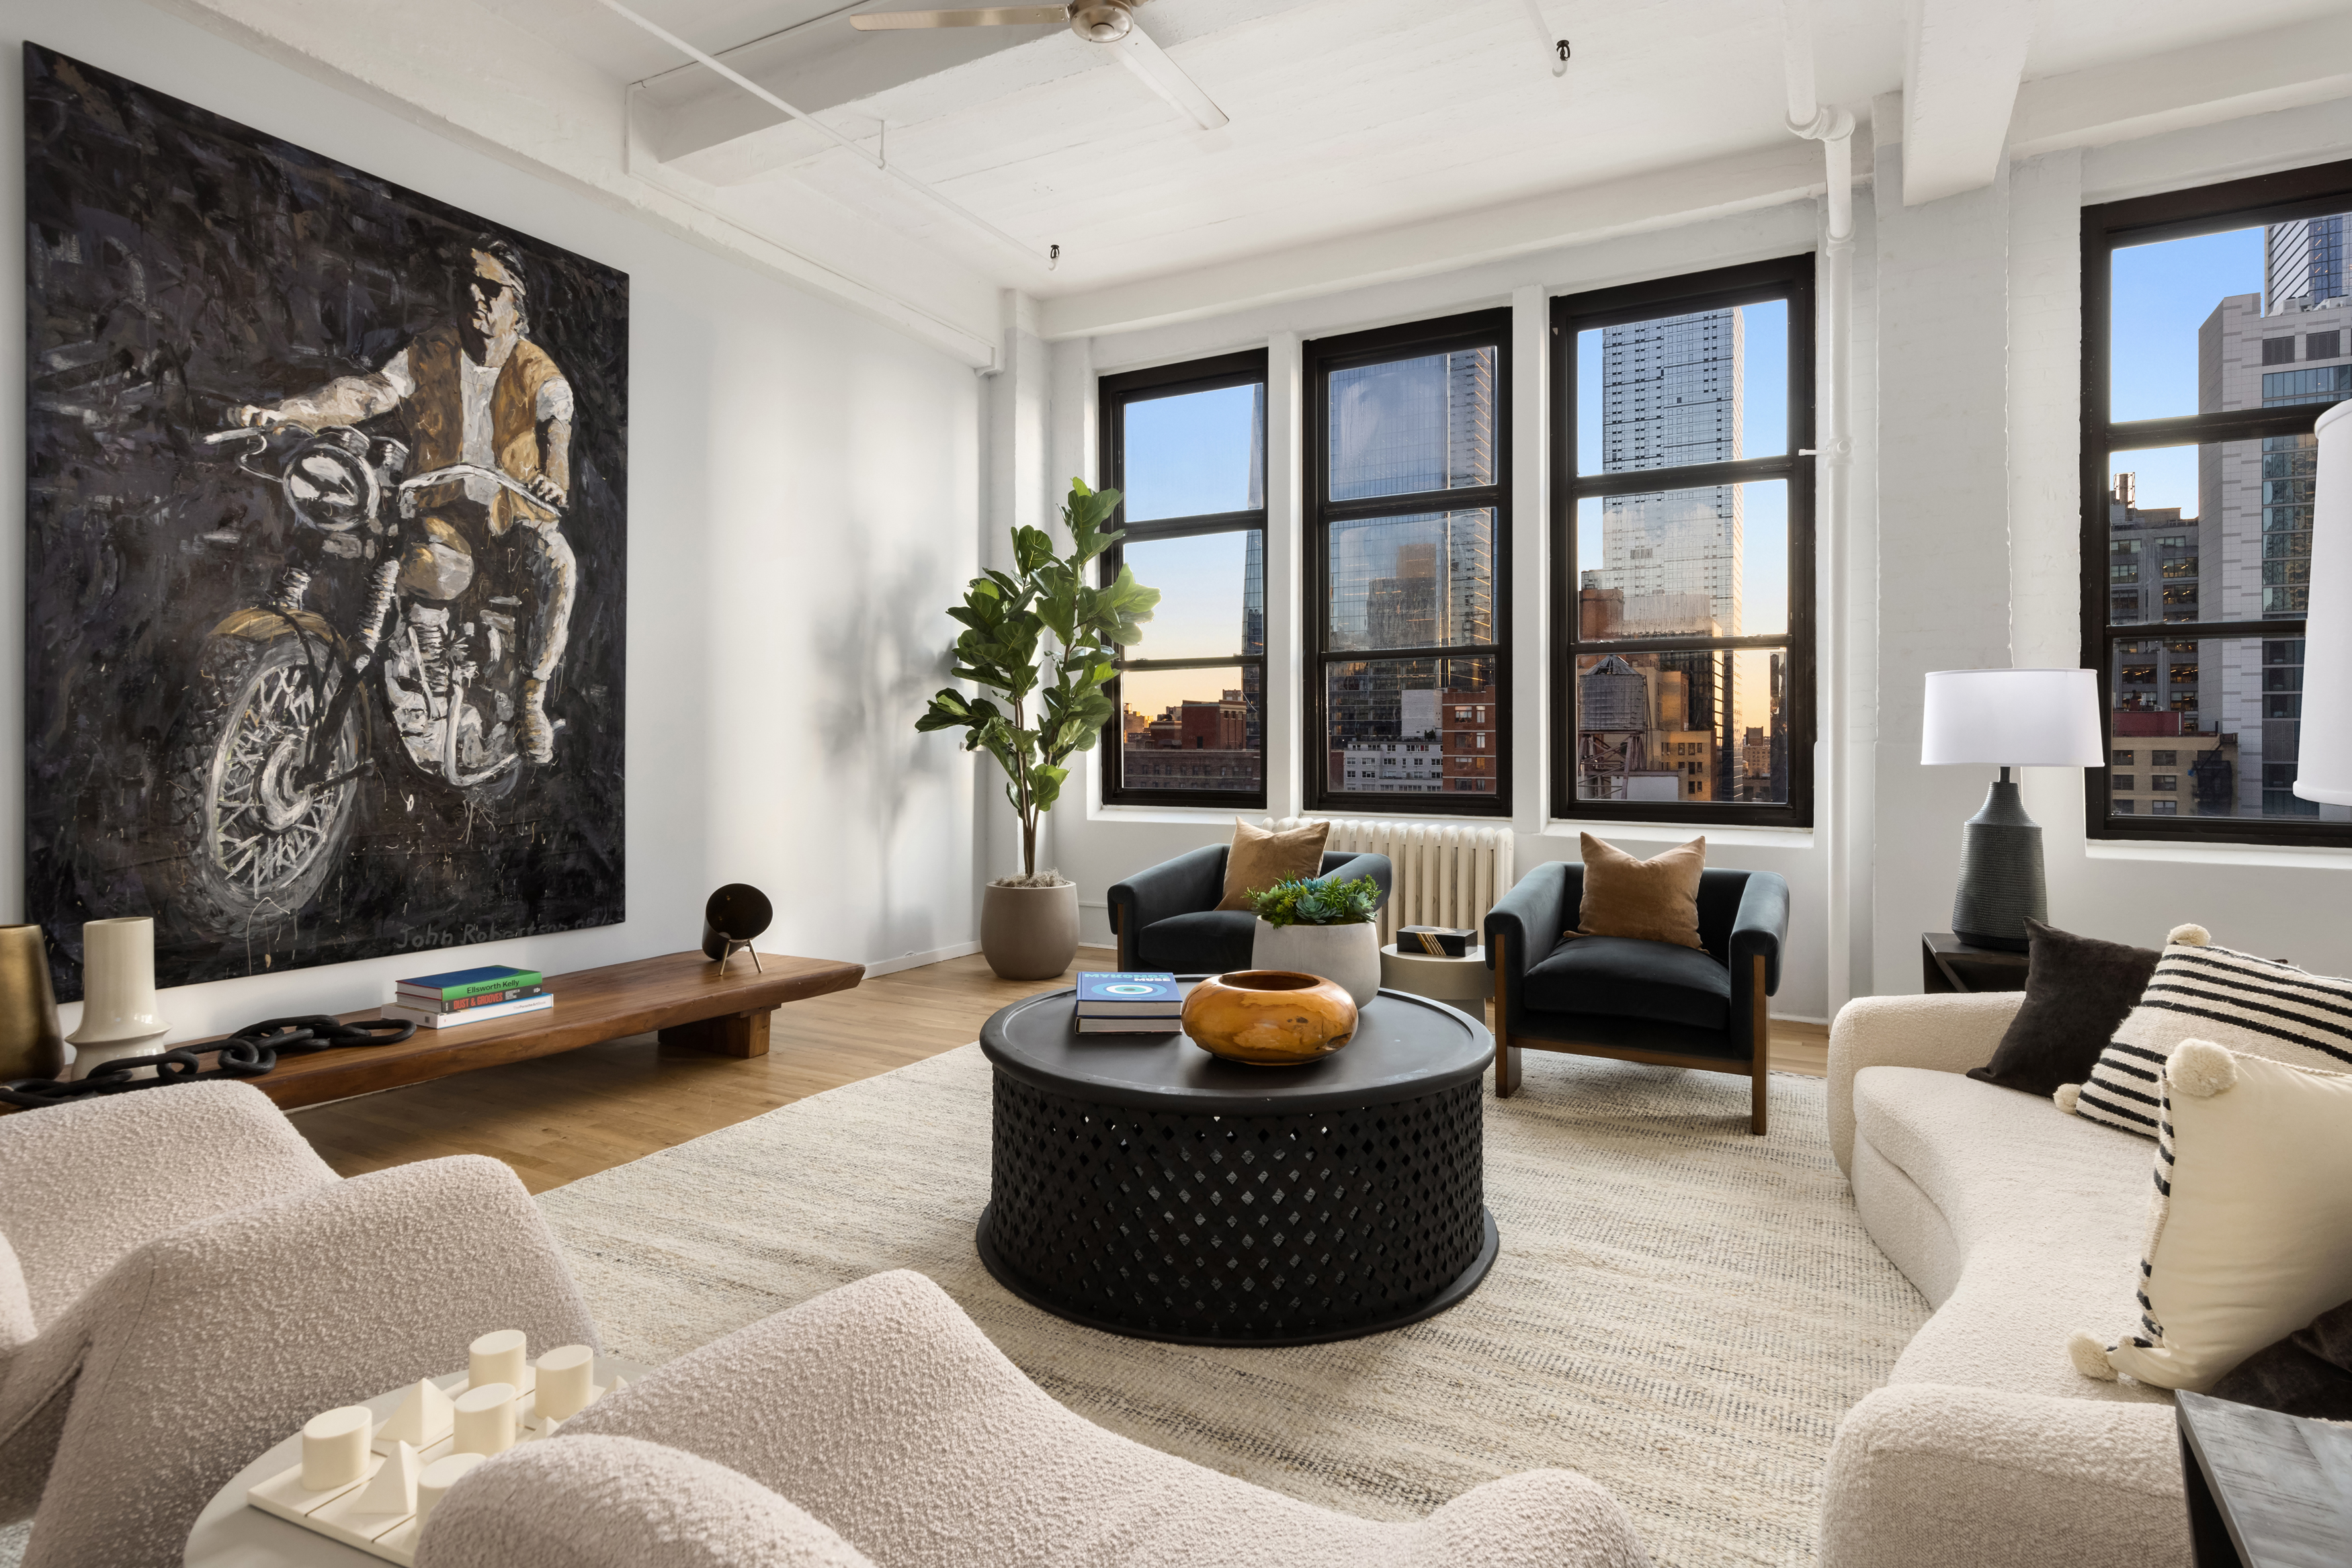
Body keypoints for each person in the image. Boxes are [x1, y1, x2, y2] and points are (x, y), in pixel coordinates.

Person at [230, 237, 577, 764]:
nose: (476, 299)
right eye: (468, 288)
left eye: (490, 289)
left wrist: (553, 481)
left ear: (516, 304)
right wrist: (291, 412)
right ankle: (425, 656)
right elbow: (366, 394)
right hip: (444, 511)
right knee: (409, 557)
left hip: (514, 517)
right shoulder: (430, 351)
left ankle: (531, 694)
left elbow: (557, 433)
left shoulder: (537, 370)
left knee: (560, 564)